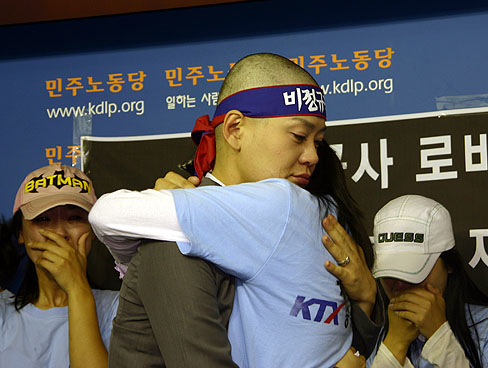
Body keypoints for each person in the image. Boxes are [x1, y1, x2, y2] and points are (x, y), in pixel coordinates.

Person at [102, 53, 383, 367]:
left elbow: (329, 349)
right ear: (235, 129)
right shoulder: (175, 233)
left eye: (317, 142)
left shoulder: (308, 215)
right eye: (298, 137)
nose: (312, 156)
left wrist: (365, 299)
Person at [367, 195, 488, 368]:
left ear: (449, 264)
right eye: (390, 272)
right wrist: (395, 345)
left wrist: (439, 336)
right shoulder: (380, 339)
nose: (401, 284)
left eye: (413, 272)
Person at [0, 164, 119, 367]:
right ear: (21, 233)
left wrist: (76, 287)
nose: (60, 233)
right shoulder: (3, 313)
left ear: (93, 231)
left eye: (74, 218)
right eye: (43, 219)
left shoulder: (121, 308)